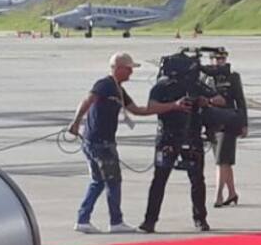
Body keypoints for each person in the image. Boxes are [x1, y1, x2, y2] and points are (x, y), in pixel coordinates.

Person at [69, 52, 186, 234]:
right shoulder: (105, 84)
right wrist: (76, 122)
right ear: (119, 68)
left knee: (98, 181)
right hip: (100, 142)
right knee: (113, 181)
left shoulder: (118, 90)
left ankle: (83, 219)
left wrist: (173, 105)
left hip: (97, 141)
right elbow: (88, 100)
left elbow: (139, 110)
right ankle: (116, 222)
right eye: (129, 69)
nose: (131, 73)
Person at [140, 50, 226, 233]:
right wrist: (174, 105)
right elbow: (151, 107)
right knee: (159, 180)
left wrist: (206, 101)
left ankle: (200, 219)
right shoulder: (162, 87)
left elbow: (220, 99)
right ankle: (150, 220)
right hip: (168, 137)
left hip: (192, 136)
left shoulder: (196, 86)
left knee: (197, 179)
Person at [208, 48, 248, 208]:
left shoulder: (233, 77)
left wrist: (244, 123)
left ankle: (219, 195)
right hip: (212, 123)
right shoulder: (207, 78)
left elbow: (240, 100)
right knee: (224, 161)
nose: (220, 62)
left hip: (229, 122)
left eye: (222, 59)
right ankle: (232, 193)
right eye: (216, 59)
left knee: (221, 161)